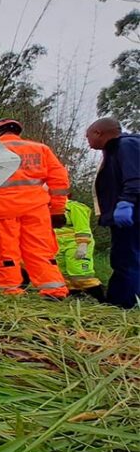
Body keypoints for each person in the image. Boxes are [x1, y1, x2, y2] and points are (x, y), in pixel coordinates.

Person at [0, 119, 70, 300]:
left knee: (4, 251)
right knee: (40, 250)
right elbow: (59, 180)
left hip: (1, 210)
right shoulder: (40, 149)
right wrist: (58, 210)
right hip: (35, 209)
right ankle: (54, 290)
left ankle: (9, 292)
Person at [86, 117, 140, 309]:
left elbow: (134, 176)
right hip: (127, 215)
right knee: (124, 257)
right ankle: (119, 300)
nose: (88, 142)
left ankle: (126, 303)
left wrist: (126, 202)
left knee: (127, 258)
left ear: (98, 133)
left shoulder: (126, 145)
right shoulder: (116, 150)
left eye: (88, 137)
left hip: (132, 214)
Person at [54, 197, 105, 302]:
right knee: (62, 273)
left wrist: (83, 245)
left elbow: (83, 227)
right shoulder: (48, 208)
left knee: (80, 272)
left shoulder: (74, 207)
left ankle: (101, 299)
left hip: (75, 244)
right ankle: (75, 295)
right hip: (58, 245)